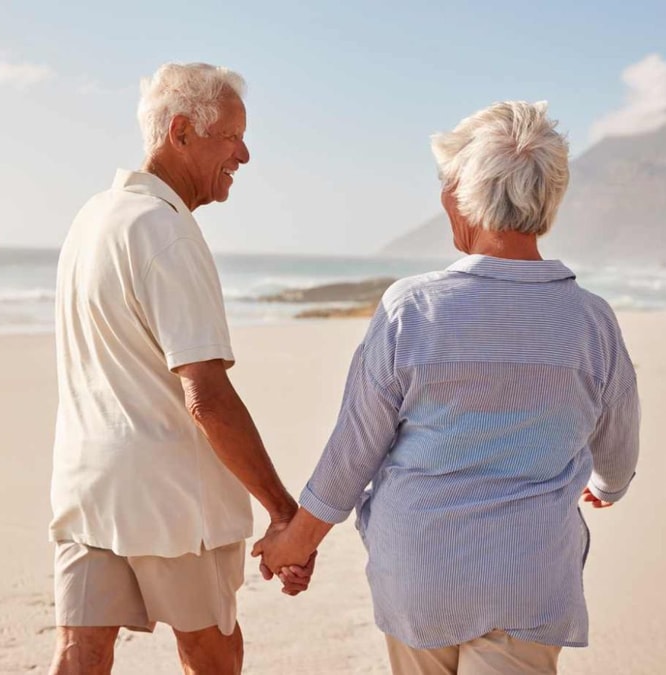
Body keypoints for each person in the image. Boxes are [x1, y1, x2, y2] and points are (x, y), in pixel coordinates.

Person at [254, 101, 641, 675]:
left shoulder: (412, 308)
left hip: (421, 571)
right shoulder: (591, 321)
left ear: (462, 196)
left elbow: (353, 451)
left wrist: (297, 542)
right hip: (529, 579)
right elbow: (618, 443)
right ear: (549, 201)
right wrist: (608, 487)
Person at [48, 62, 310, 675]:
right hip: (171, 505)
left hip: (88, 489)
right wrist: (281, 510)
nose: (244, 154)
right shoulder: (165, 233)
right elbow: (207, 397)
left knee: (79, 654)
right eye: (232, 137)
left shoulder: (92, 219)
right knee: (213, 653)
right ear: (183, 132)